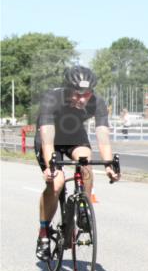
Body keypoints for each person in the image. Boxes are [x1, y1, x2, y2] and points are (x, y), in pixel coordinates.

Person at [34, 65, 120, 260]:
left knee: (85, 162)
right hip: (50, 138)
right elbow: (47, 138)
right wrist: (50, 167)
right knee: (56, 183)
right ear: (67, 89)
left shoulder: (97, 102)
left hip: (73, 135)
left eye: (87, 94)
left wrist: (108, 164)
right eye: (77, 94)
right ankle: (44, 233)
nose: (82, 99)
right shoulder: (52, 99)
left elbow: (103, 135)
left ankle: (83, 207)